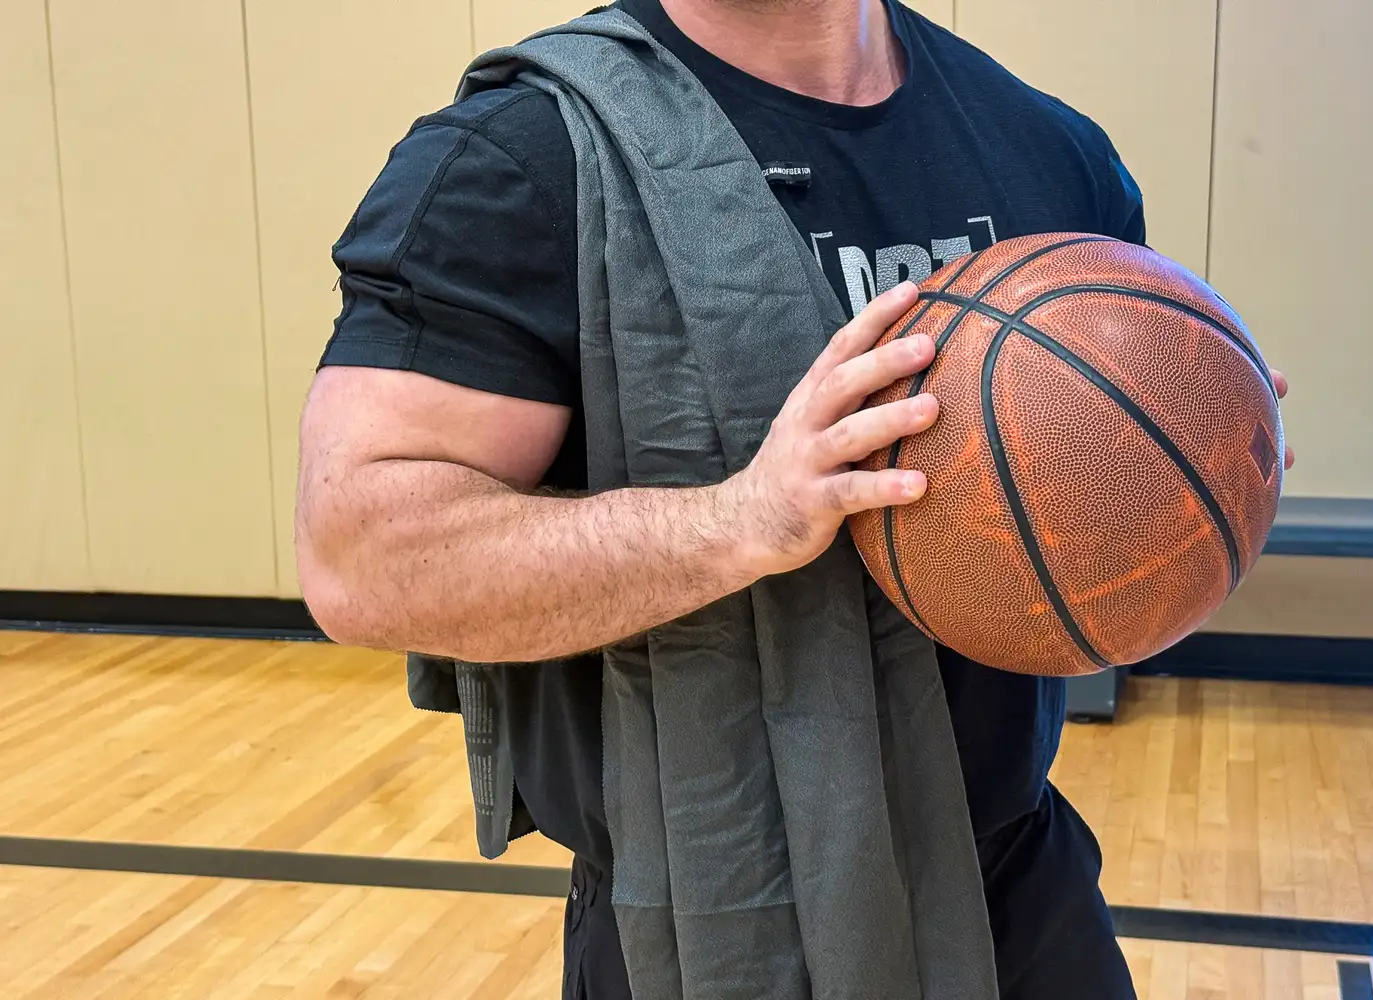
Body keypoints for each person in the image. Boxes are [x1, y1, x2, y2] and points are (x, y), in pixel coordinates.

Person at [296, 1, 1291, 997]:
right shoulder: (516, 163)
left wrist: (1195, 464)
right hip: (714, 916)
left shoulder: (1044, 148)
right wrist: (737, 522)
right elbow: (361, 560)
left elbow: (1102, 496)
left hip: (1019, 884)